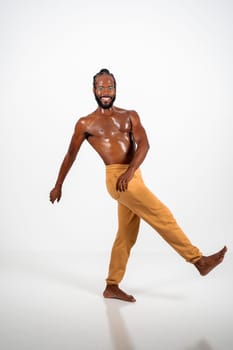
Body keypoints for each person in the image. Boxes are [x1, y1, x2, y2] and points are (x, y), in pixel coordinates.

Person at [50, 68, 227, 302]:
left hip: (133, 175)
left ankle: (111, 285)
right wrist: (58, 184)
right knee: (161, 214)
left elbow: (144, 145)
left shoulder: (129, 116)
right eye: (101, 87)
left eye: (109, 87)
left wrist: (132, 170)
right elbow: (70, 154)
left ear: (115, 89)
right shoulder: (86, 123)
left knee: (126, 235)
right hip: (116, 179)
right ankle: (198, 261)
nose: (105, 91)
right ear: (93, 90)